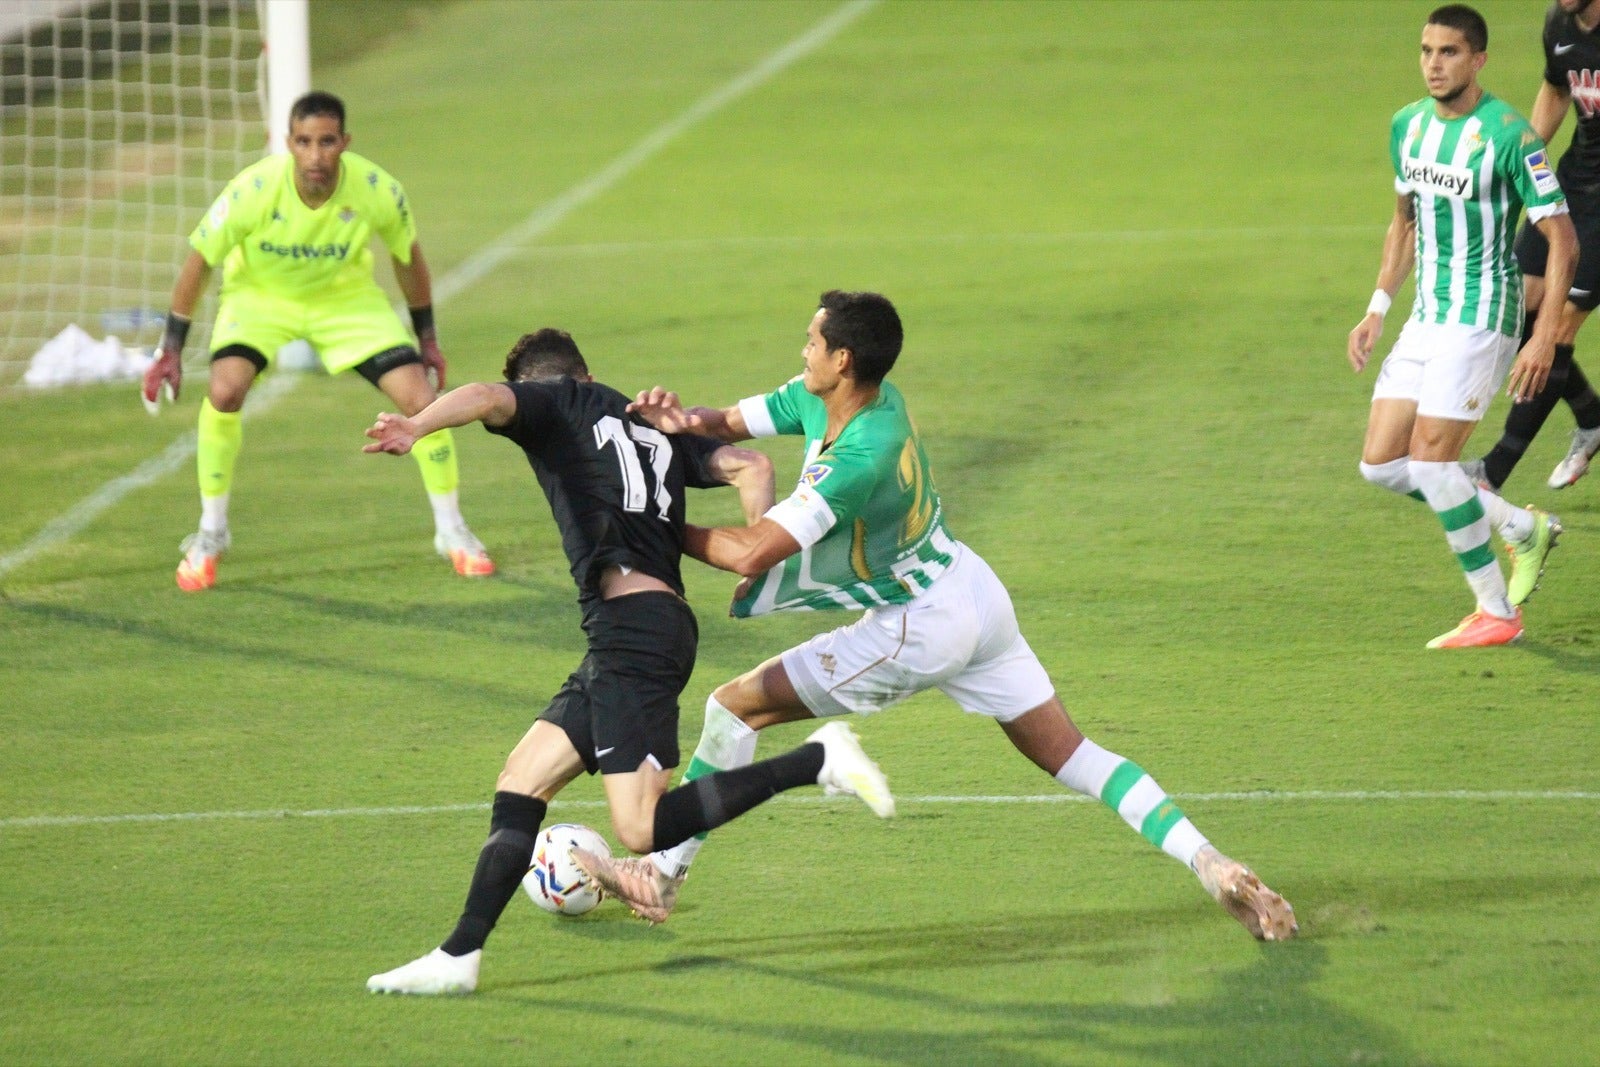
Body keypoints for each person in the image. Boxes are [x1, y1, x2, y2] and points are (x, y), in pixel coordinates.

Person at [573, 290, 1298, 943]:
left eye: (812, 340)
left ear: (842, 358)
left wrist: (648, 526)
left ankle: (663, 871)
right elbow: (722, 420)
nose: (803, 349)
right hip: (972, 589)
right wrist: (671, 425)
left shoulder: (860, 454)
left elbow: (750, 552)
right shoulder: (842, 398)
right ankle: (1210, 860)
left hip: (916, 626)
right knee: (1072, 753)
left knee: (736, 707)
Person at [362, 329, 894, 996]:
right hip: (627, 631)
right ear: (588, 370)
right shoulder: (648, 422)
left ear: (545, 381)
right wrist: (759, 553)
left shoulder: (552, 402)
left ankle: (818, 759)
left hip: (635, 637)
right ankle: (459, 955)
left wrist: (415, 423)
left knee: (640, 826)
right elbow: (751, 467)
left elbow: (480, 396)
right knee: (521, 780)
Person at [140, 90, 493, 591]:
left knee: (422, 402)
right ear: (288, 143)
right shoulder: (253, 190)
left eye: (327, 142)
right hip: (259, 301)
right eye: (304, 142)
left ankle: (452, 530)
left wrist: (427, 340)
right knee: (224, 392)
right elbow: (199, 261)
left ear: (344, 142)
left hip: (346, 304)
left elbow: (407, 258)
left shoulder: (376, 189)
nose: (315, 155)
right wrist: (170, 348)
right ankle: (211, 532)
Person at [1347, 4, 1575, 649]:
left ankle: (1497, 612)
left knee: (1432, 463)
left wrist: (1546, 332)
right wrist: (1378, 306)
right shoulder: (1407, 127)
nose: (1434, 64)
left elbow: (1563, 239)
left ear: (1477, 60)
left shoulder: (1510, 136)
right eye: (1426, 51)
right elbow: (1405, 221)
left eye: (1448, 52)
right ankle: (1523, 528)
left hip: (1482, 317)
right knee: (1382, 466)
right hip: (1426, 316)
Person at [1465, 0, 1600, 492]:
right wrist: (1518, 165)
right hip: (1574, 181)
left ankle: (1493, 471)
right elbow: (1556, 87)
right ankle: (1592, 417)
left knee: (1558, 326)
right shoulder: (1560, 23)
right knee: (1522, 311)